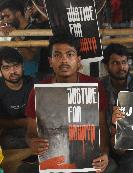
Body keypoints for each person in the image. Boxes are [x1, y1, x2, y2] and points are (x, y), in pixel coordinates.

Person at [24, 35, 111, 172]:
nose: (64, 60)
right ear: (50, 61)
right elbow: (31, 132)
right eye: (57, 55)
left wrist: (104, 153)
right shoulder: (38, 91)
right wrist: (32, 142)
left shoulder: (94, 86)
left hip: (86, 158)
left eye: (70, 54)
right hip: (53, 159)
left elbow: (101, 126)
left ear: (78, 60)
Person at [0, 47, 34, 149]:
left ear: (22, 66)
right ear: (0, 71)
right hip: (10, 132)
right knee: (6, 142)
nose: (13, 71)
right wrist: (25, 122)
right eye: (6, 68)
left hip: (34, 128)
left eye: (16, 66)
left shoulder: (34, 83)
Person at [101, 43, 133, 129]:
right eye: (115, 63)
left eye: (124, 62)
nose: (121, 67)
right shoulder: (100, 86)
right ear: (106, 66)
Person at [0, 0, 40, 78]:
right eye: (3, 17)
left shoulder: (34, 30)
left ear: (18, 14)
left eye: (7, 16)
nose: (5, 20)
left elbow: (30, 56)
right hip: (15, 77)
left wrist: (15, 35)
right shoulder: (13, 31)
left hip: (31, 78)